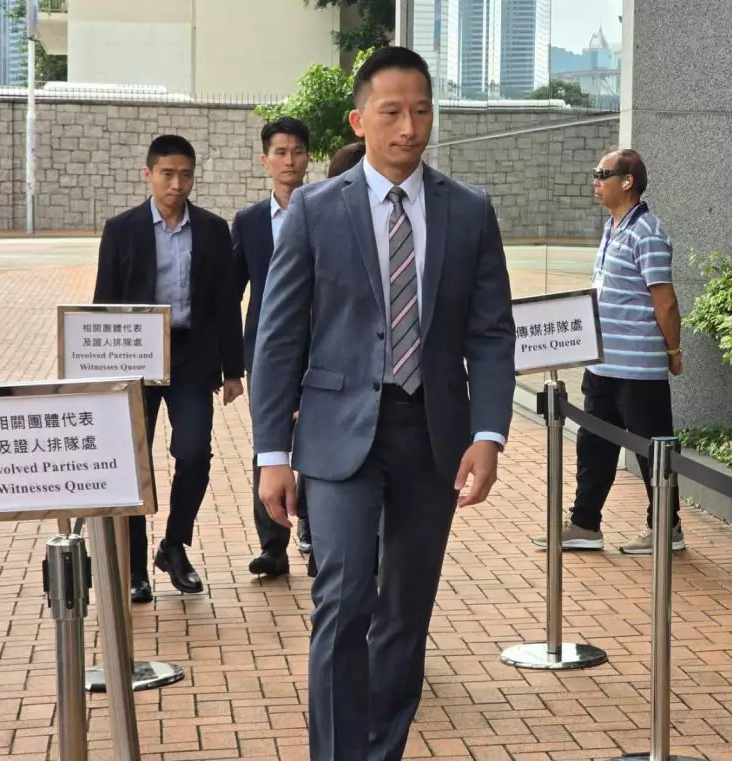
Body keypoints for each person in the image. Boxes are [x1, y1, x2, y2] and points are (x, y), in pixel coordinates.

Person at [250, 47, 516, 761]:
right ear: (358, 119)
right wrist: (272, 454)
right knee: (343, 600)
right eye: (392, 111)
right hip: (337, 435)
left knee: (405, 609)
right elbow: (278, 338)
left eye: (422, 110)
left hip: (433, 435)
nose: (409, 127)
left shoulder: (469, 211)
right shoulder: (314, 210)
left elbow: (491, 333)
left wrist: (488, 434)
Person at [94, 134, 245, 602]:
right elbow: (103, 302)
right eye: (167, 174)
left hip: (192, 356)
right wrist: (98, 373)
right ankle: (135, 568)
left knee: (194, 452)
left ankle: (174, 545)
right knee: (131, 460)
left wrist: (233, 369)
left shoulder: (213, 229)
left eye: (185, 175)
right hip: (132, 358)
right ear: (148, 174)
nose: (177, 184)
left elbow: (225, 302)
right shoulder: (121, 229)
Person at [533, 147, 684, 555]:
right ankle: (585, 525)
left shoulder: (647, 232)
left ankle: (666, 528)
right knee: (593, 445)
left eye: (602, 174)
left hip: (638, 369)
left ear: (627, 181)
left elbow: (665, 302)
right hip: (602, 364)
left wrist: (674, 350)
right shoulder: (612, 227)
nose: (595, 182)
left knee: (653, 450)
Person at [233, 117, 312, 578]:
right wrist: (229, 361)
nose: (289, 160)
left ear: (308, 158)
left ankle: (316, 536)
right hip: (266, 353)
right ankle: (273, 546)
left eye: (297, 151)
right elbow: (229, 293)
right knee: (270, 445)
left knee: (320, 441)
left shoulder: (327, 210)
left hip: (322, 350)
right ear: (265, 160)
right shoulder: (248, 222)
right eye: (280, 152)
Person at [305, 140, 369, 582]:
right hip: (329, 403)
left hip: (404, 420)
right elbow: (289, 328)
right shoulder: (315, 216)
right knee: (341, 584)